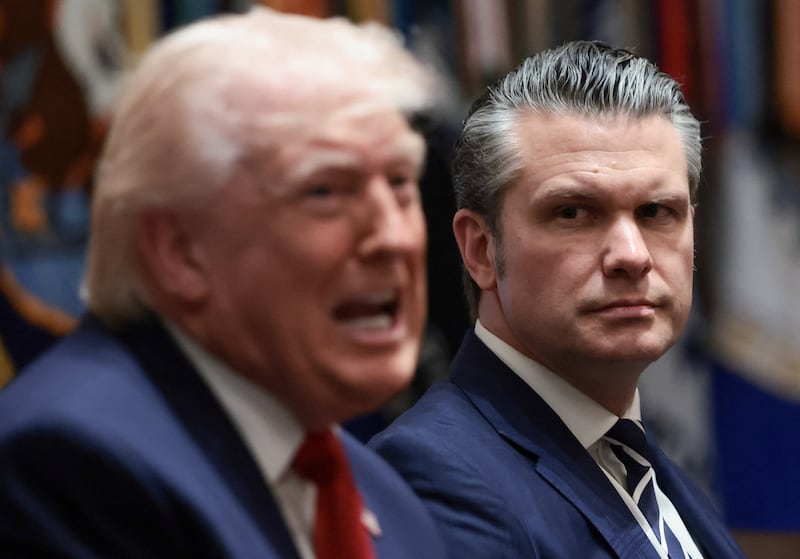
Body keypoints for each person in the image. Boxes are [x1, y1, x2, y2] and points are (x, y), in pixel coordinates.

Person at [0, 8, 447, 559]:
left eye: (401, 184)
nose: (394, 238)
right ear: (179, 250)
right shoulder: (73, 466)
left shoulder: (386, 497)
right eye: (325, 191)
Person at [370, 41, 746, 558]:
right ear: (480, 249)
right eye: (573, 213)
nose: (632, 255)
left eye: (656, 211)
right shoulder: (434, 477)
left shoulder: (645, 465)